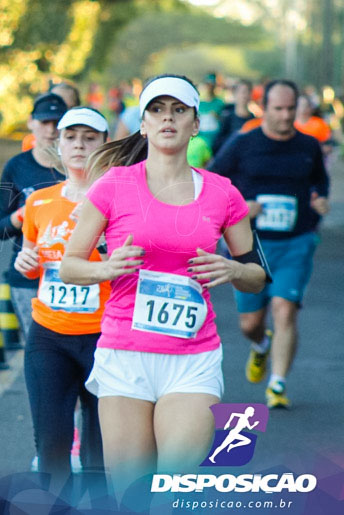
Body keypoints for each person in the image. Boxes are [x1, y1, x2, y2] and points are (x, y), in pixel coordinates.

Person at [59, 75, 266, 497]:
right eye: (156, 110)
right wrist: (107, 269)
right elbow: (69, 266)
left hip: (192, 359)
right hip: (125, 356)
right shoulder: (114, 185)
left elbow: (257, 275)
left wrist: (231, 268)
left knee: (172, 492)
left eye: (178, 110)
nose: (166, 118)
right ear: (143, 124)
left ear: (195, 124)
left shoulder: (223, 194)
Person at [209, 79, 329, 410]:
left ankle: (277, 384)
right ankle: (261, 345)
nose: (286, 115)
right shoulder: (243, 144)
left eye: (291, 108)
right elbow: (214, 183)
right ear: (265, 109)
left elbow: (320, 180)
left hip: (296, 241)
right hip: (251, 245)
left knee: (285, 308)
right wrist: (241, 208)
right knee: (249, 323)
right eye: (279, 108)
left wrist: (320, 200)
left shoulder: (308, 146)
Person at [13, 107, 110, 488]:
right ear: (59, 143)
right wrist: (26, 261)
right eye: (71, 137)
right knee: (52, 449)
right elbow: (35, 263)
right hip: (49, 336)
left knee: (100, 454)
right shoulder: (39, 201)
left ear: (104, 144)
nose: (79, 145)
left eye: (89, 138)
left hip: (106, 337)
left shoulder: (119, 200)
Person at [0, 93, 67, 337]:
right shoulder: (16, 167)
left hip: (72, 275)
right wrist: (25, 213)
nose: (51, 130)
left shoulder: (78, 168)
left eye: (57, 122)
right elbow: (0, 229)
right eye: (44, 122)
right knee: (37, 350)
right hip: (28, 275)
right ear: (31, 123)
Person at [22, 82, 81, 152]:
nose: (60, 109)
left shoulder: (82, 142)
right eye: (55, 102)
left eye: (68, 107)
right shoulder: (31, 142)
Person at [212, 79, 256, 157]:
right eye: (241, 92)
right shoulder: (226, 118)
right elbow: (217, 144)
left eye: (247, 92)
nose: (244, 95)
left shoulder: (254, 121)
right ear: (235, 94)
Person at [197, 74, 224, 151]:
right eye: (208, 85)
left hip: (215, 137)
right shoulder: (200, 103)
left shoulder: (219, 102)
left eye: (212, 85)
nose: (210, 87)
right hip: (201, 136)